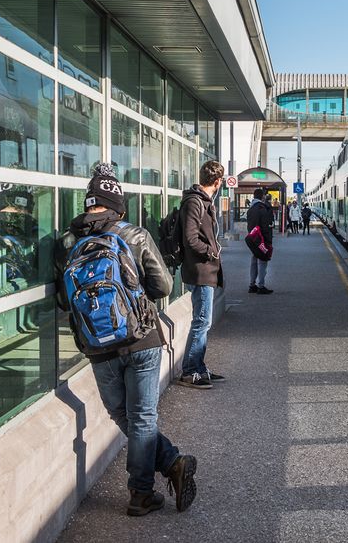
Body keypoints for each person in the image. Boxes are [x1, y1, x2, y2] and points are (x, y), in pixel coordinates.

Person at [55, 162, 197, 516]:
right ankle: (149, 484)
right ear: (117, 204)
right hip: (141, 339)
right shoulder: (134, 234)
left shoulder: (67, 241)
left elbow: (62, 299)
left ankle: (162, 473)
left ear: (89, 203)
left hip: (98, 346)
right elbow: (163, 286)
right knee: (143, 416)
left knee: (122, 414)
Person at [179, 160, 225, 389]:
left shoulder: (201, 201)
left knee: (203, 322)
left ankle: (198, 367)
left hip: (203, 269)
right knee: (201, 322)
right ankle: (189, 372)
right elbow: (190, 239)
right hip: (199, 270)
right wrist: (211, 251)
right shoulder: (195, 202)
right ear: (217, 182)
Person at [246, 188, 274, 294]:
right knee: (263, 262)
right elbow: (265, 227)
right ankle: (261, 286)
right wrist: (268, 241)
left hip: (253, 238)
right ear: (262, 196)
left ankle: (252, 285)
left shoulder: (251, 208)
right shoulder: (262, 208)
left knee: (254, 261)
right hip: (261, 239)